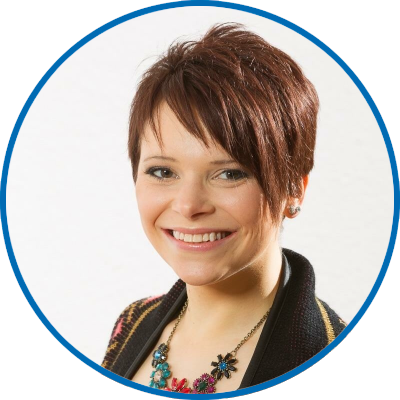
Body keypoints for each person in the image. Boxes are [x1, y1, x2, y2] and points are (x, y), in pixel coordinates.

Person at [101, 22, 346, 393]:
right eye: (163, 171)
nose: (188, 205)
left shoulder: (324, 347)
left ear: (294, 189)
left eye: (230, 173)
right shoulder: (133, 322)